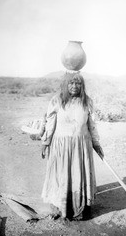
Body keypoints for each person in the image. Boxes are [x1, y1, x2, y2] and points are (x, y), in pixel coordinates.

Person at [41, 71, 104, 221]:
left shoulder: (87, 102)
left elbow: (92, 125)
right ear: (65, 84)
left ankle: (80, 208)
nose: (74, 86)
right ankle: (59, 208)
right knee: (60, 177)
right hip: (61, 147)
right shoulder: (56, 101)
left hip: (81, 147)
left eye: (78, 83)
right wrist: (45, 142)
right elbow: (50, 123)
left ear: (82, 85)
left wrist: (96, 143)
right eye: (71, 82)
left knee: (79, 176)